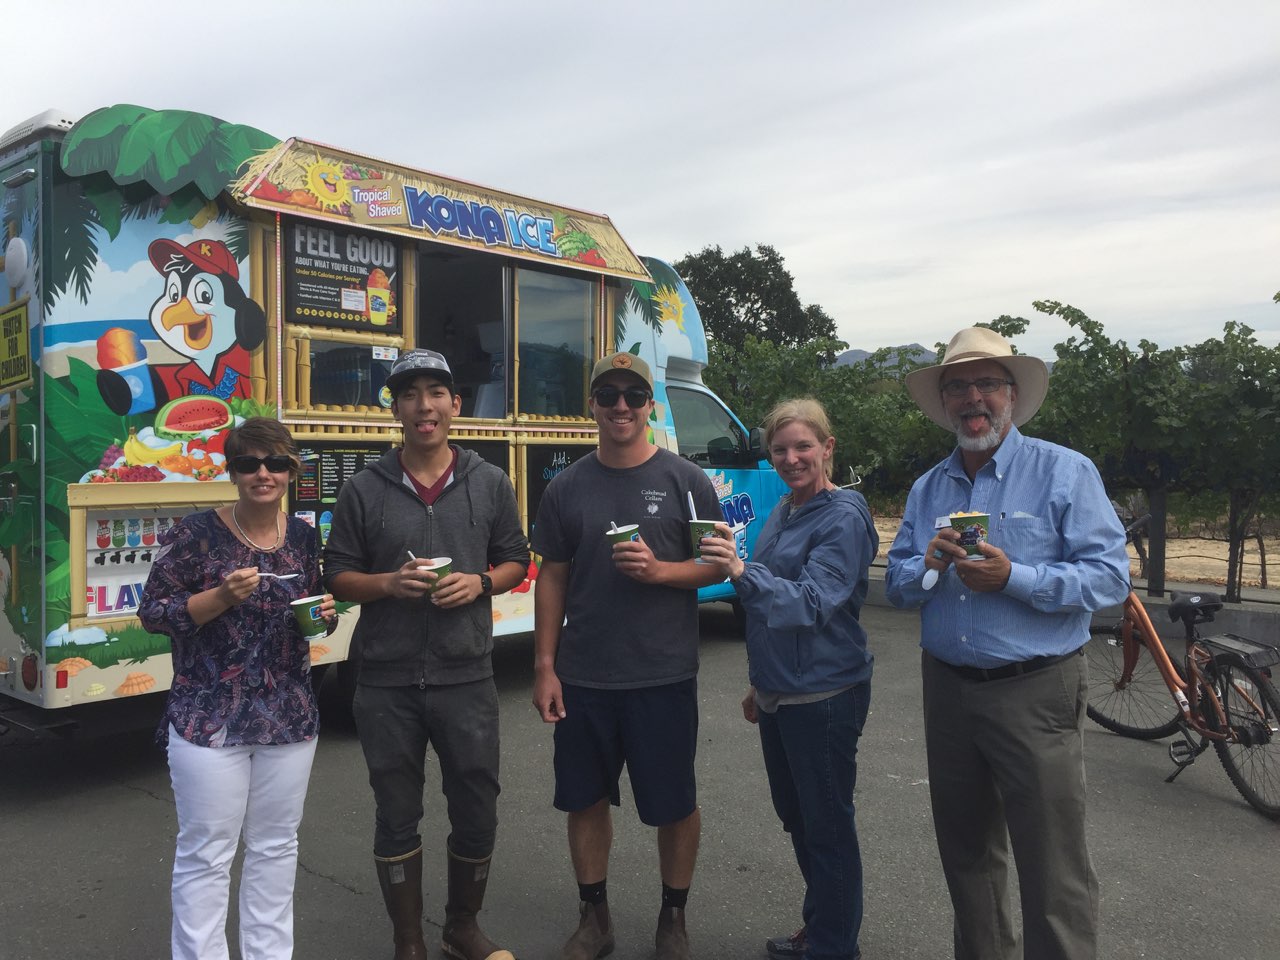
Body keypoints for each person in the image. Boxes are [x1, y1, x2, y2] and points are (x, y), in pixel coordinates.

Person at [884, 327, 1129, 960]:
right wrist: (928, 566)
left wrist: (1013, 577)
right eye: (958, 386)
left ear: (1012, 396)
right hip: (948, 691)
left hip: (1037, 688)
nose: (973, 398)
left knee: (1054, 867)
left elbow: (1109, 580)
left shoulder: (1064, 472)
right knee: (967, 860)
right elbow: (899, 586)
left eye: (987, 383)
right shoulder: (927, 488)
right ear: (945, 403)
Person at [323, 348, 529, 960]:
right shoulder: (364, 488)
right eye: (410, 393)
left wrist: (483, 582)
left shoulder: (489, 481)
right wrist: (387, 584)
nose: (424, 405)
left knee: (476, 805)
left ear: (455, 405)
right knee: (396, 813)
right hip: (384, 680)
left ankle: (462, 928)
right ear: (397, 408)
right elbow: (337, 575)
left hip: (467, 674)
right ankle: (408, 942)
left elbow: (517, 558)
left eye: (436, 392)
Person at [531, 351, 724, 960]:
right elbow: (552, 577)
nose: (620, 406)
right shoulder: (567, 486)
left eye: (633, 396)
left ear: (649, 405)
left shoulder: (685, 480)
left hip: (662, 671)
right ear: (592, 404)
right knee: (585, 798)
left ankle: (674, 918)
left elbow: (717, 564)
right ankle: (595, 918)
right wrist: (544, 666)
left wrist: (661, 569)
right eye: (608, 394)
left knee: (674, 803)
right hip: (585, 673)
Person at [138, 416, 336, 960]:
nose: (262, 473)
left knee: (276, 848)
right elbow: (152, 613)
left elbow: (314, 613)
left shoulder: (300, 534)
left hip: (288, 716)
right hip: (209, 718)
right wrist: (221, 597)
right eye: (248, 463)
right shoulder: (197, 533)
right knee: (206, 855)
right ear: (233, 471)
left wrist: (323, 615)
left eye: (275, 463)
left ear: (292, 470)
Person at [699, 398, 877, 960]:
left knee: (826, 825)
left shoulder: (843, 517)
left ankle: (833, 946)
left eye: (803, 446)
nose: (791, 458)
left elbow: (811, 602)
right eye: (780, 449)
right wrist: (762, 683)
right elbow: (773, 604)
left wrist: (737, 572)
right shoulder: (788, 509)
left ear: (828, 448)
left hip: (824, 693)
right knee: (798, 818)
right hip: (784, 692)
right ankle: (824, 926)